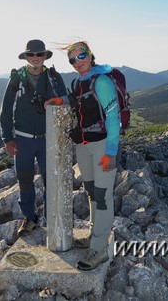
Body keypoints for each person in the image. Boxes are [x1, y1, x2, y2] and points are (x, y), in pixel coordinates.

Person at [46, 41, 120, 271]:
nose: (78, 62)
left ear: (91, 56)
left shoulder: (103, 81)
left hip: (101, 146)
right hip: (84, 145)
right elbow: (78, 100)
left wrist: (111, 152)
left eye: (81, 56)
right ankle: (92, 234)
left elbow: (113, 118)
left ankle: (99, 249)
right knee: (91, 193)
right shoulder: (78, 82)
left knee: (103, 195)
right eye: (72, 60)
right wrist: (62, 101)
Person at [0, 39, 67, 236]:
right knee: (25, 178)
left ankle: (51, 218)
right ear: (27, 57)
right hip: (23, 139)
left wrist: (59, 101)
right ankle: (29, 217)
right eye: (32, 54)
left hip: (49, 138)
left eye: (39, 54)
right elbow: (5, 111)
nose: (36, 58)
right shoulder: (16, 79)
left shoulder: (54, 77)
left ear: (45, 56)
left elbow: (66, 99)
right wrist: (7, 138)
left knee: (51, 179)